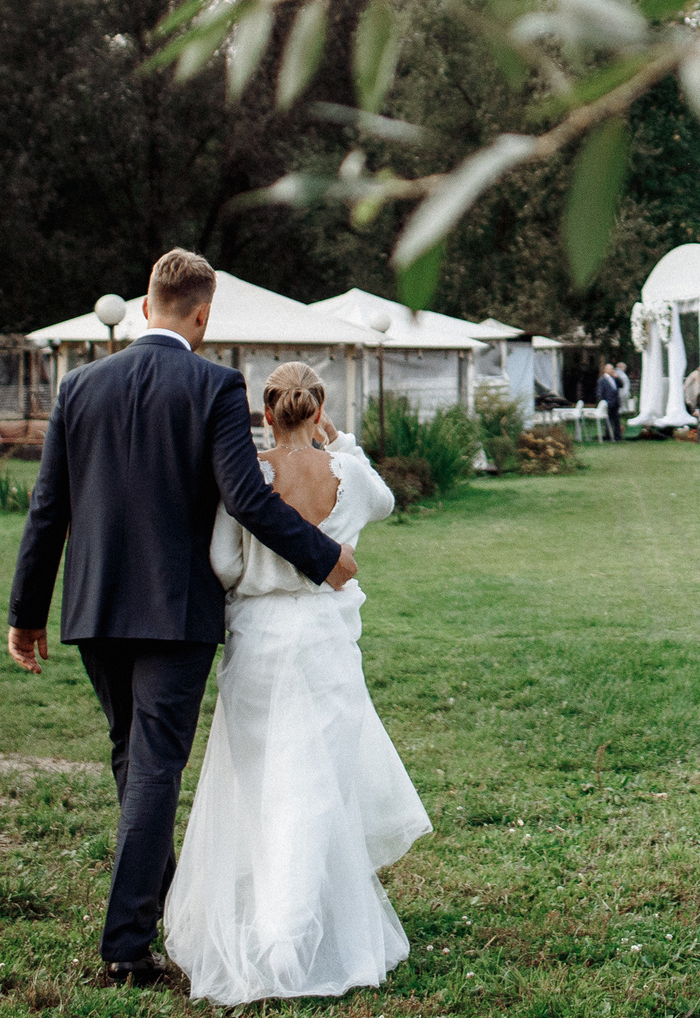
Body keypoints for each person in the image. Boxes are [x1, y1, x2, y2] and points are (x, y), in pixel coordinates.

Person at [7, 250, 357, 988]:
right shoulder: (214, 384)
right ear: (203, 314)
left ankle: (162, 905)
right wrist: (324, 557)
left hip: (94, 607)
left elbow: (49, 509)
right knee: (153, 769)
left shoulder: (79, 386)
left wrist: (26, 613)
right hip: (176, 611)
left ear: (144, 305)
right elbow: (248, 498)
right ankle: (128, 948)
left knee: (136, 762)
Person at [164, 363, 427, 1003]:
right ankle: (298, 930)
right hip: (323, 644)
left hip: (258, 643)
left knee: (260, 785)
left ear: (264, 412)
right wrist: (339, 445)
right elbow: (387, 504)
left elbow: (224, 562)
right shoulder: (350, 476)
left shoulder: (247, 478)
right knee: (315, 786)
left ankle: (269, 925)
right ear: (319, 409)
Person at [596, 363, 625, 442]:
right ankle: (608, 435)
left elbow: (621, 385)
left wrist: (617, 377)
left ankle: (617, 435)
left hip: (616, 402)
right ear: (605, 370)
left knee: (616, 420)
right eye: (610, 369)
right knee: (608, 420)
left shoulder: (614, 379)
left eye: (612, 369)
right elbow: (600, 392)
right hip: (608, 402)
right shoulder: (602, 380)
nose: (611, 370)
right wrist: (604, 402)